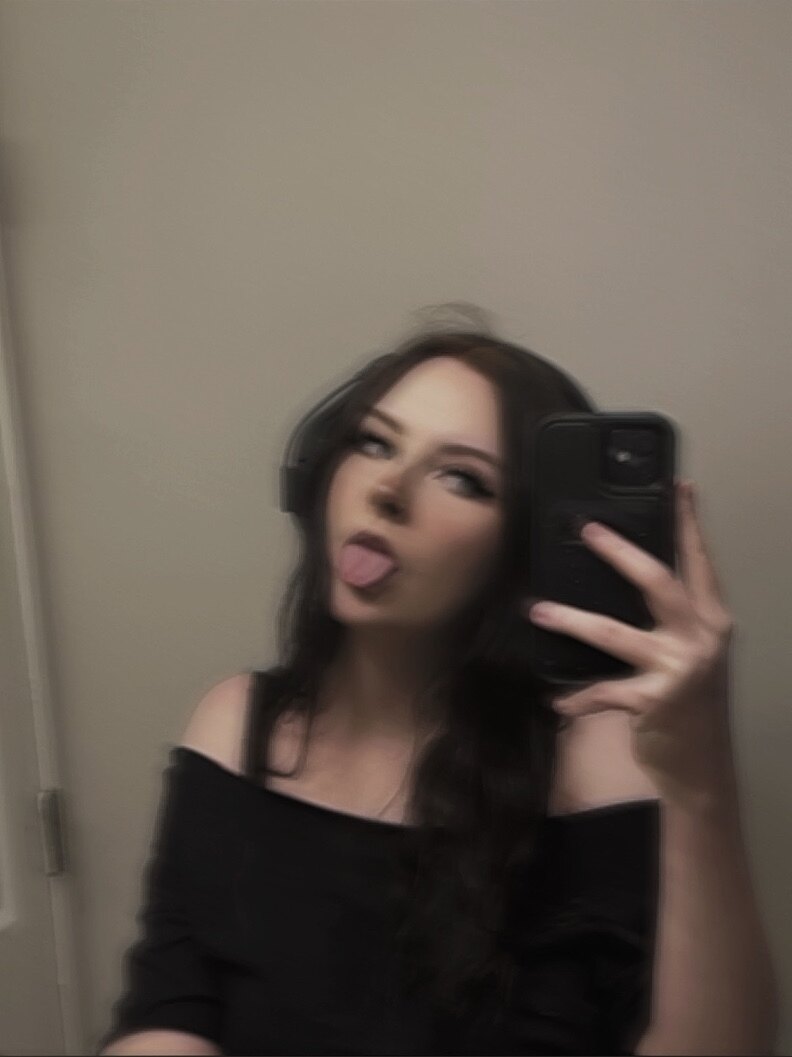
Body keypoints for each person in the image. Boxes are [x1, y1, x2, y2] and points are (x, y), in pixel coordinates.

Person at [97, 307, 660, 1055]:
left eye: (462, 477)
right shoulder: (235, 725)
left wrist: (706, 777)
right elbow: (169, 1003)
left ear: (526, 547)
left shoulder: (596, 765)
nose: (388, 488)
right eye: (373, 442)